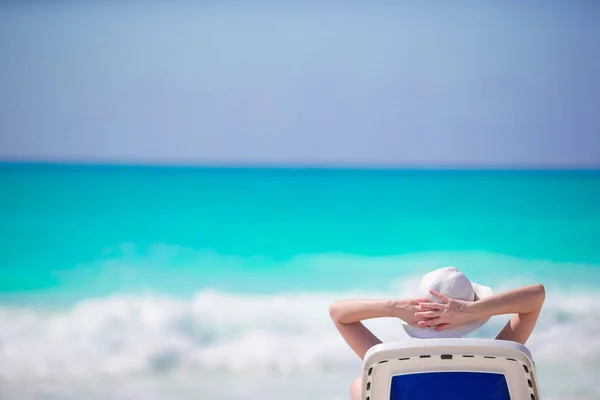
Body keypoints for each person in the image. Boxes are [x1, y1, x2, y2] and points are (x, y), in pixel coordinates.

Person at [329, 266, 546, 400]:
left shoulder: (388, 362)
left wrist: (393, 307)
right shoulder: (498, 357)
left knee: (360, 385)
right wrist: (470, 310)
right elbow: (535, 297)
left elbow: (338, 313)